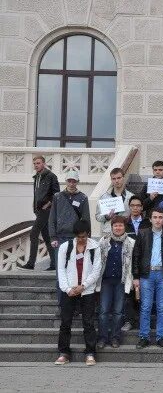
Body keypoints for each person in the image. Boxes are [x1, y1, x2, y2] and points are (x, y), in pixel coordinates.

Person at [55, 220, 101, 366]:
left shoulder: (95, 247)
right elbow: (61, 269)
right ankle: (64, 353)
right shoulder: (65, 247)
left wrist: (84, 286)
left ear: (88, 234)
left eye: (84, 236)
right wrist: (68, 289)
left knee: (88, 322)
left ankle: (90, 353)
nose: (81, 239)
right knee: (65, 322)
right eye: (78, 237)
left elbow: (96, 270)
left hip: (87, 290)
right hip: (69, 290)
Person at [132, 208, 163, 349]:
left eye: (160, 217)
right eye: (155, 217)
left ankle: (161, 337)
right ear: (150, 219)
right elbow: (136, 256)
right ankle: (144, 337)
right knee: (145, 307)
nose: (158, 220)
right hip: (147, 274)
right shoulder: (143, 233)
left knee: (162, 307)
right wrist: (136, 276)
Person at [96, 216, 135, 349]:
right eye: (115, 226)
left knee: (118, 312)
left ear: (125, 227)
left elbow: (132, 264)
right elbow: (98, 260)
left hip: (121, 281)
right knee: (104, 311)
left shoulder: (131, 242)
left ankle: (115, 338)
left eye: (121, 225)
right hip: (106, 280)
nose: (118, 228)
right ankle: (102, 337)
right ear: (112, 227)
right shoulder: (104, 241)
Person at [21, 155, 59, 270]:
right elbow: (37, 194)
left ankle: (31, 263)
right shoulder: (36, 177)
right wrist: (34, 205)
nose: (36, 165)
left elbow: (56, 193)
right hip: (39, 210)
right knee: (47, 237)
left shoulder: (51, 176)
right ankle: (54, 264)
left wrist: (48, 204)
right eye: (35, 164)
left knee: (33, 234)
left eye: (38, 163)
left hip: (46, 210)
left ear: (44, 163)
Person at [122, 195, 149, 331]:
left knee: (144, 293)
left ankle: (143, 321)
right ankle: (129, 320)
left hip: (145, 263)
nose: (135, 208)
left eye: (138, 205)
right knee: (128, 293)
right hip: (128, 263)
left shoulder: (148, 223)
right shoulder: (124, 224)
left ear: (142, 208)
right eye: (133, 205)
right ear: (129, 207)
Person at [95, 168, 135, 235]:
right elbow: (97, 217)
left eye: (119, 178)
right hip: (108, 232)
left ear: (123, 178)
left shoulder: (131, 197)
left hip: (125, 232)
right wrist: (106, 217)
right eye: (114, 179)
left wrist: (126, 218)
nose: (116, 181)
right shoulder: (104, 197)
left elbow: (134, 215)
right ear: (111, 180)